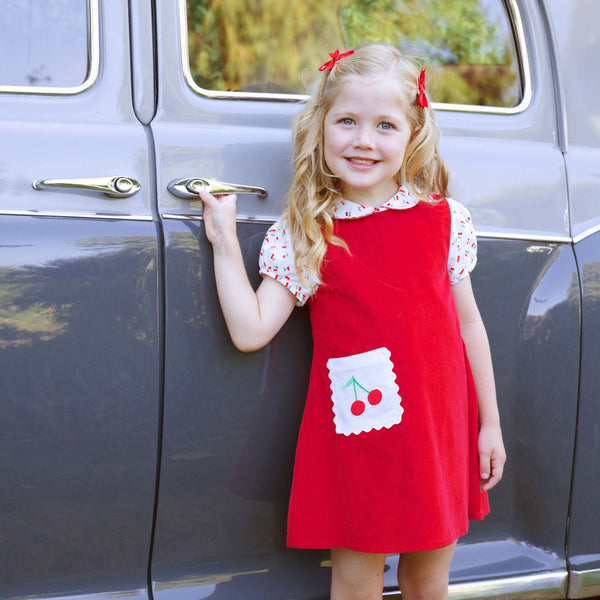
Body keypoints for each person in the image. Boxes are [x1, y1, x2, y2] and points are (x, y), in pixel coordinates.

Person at [201, 43, 506, 600]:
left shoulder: (445, 220)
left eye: (385, 125)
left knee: (428, 580)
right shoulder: (307, 233)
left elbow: (470, 327)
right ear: (320, 125)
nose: (364, 140)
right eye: (347, 121)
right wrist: (223, 240)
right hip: (360, 435)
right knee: (356, 581)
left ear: (414, 133)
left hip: (439, 433)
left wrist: (490, 423)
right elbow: (250, 331)